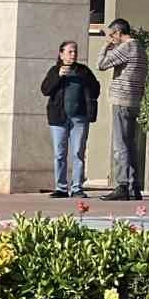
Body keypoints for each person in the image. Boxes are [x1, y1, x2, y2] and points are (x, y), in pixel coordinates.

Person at [40, 40, 101, 198]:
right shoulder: (55, 70)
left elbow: (96, 89)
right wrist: (58, 76)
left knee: (78, 153)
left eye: (75, 52)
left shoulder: (83, 71)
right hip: (58, 117)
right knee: (59, 153)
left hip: (79, 118)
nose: (73, 55)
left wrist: (86, 81)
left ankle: (77, 188)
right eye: (70, 52)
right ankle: (61, 188)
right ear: (61, 54)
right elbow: (45, 90)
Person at [98, 18, 149, 201]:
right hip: (135, 100)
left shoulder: (126, 47)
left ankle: (122, 185)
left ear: (119, 32)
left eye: (112, 35)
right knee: (130, 144)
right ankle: (134, 187)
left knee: (120, 145)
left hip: (122, 100)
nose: (111, 38)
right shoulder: (140, 48)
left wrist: (105, 47)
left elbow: (101, 64)